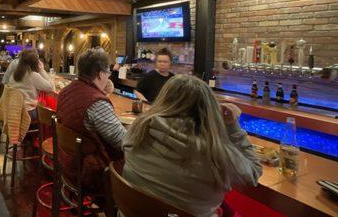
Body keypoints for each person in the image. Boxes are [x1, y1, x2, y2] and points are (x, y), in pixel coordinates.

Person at [122, 75, 262, 217]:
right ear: (209, 109)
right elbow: (253, 174)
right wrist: (233, 127)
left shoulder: (139, 129)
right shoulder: (215, 153)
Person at [56, 48, 124, 192]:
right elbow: (124, 142)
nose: (108, 77)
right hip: (91, 172)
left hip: (67, 162)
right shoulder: (96, 103)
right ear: (100, 74)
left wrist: (102, 92)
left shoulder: (66, 91)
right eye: (108, 73)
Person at [7, 49, 54, 118]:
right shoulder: (32, 75)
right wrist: (42, 70)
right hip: (27, 112)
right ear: (35, 62)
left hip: (13, 110)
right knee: (51, 114)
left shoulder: (14, 74)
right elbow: (51, 87)